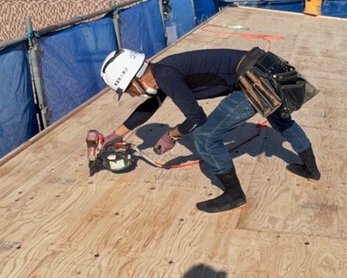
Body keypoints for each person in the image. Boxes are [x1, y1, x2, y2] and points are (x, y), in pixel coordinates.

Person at [99, 47, 319, 214]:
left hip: (253, 80)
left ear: (135, 80)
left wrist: (171, 135)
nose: (131, 95)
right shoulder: (161, 72)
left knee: (206, 136)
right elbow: (150, 106)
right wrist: (117, 134)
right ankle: (311, 170)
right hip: (262, 70)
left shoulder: (166, 76)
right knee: (280, 119)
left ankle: (234, 196)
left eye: (127, 90)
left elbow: (196, 118)